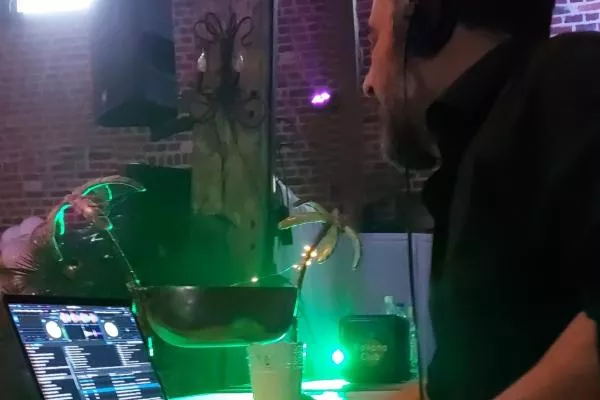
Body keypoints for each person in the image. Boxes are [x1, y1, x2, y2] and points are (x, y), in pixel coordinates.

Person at [362, 0, 600, 399]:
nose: (368, 83)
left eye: (374, 40)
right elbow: (467, 385)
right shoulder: (473, 155)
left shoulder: (571, 77)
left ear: (425, 20)